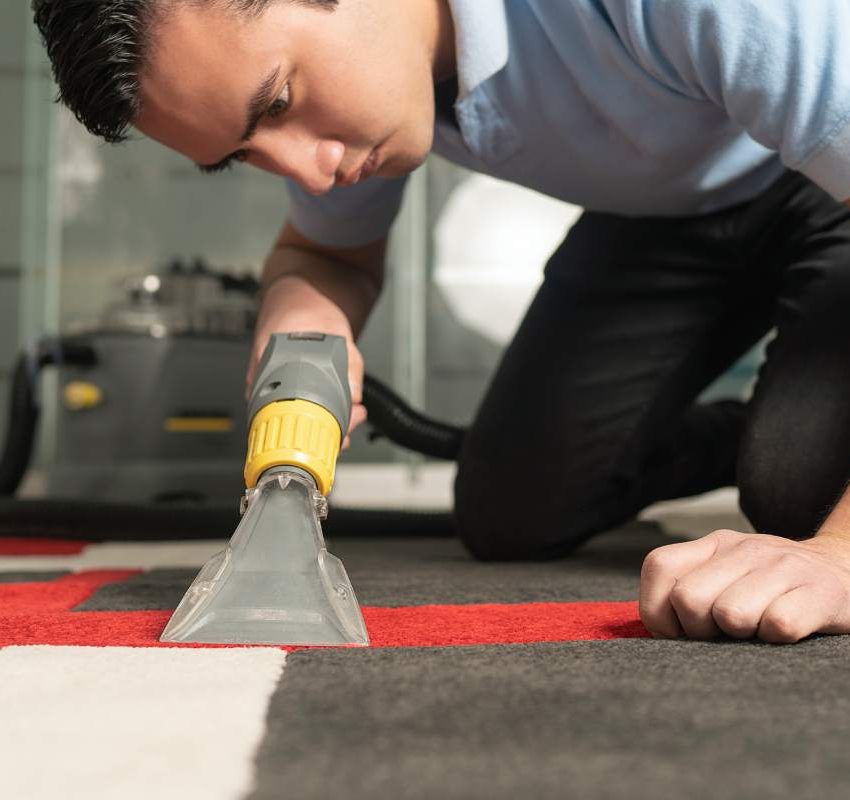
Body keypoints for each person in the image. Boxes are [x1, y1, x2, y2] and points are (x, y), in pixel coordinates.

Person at [32, 0, 850, 644]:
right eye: (245, 153)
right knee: (514, 510)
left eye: (279, 100)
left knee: (798, 494)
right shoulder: (378, 79)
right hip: (670, 211)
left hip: (822, 186)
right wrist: (302, 314)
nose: (307, 176)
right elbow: (326, 256)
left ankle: (797, 441)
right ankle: (779, 421)